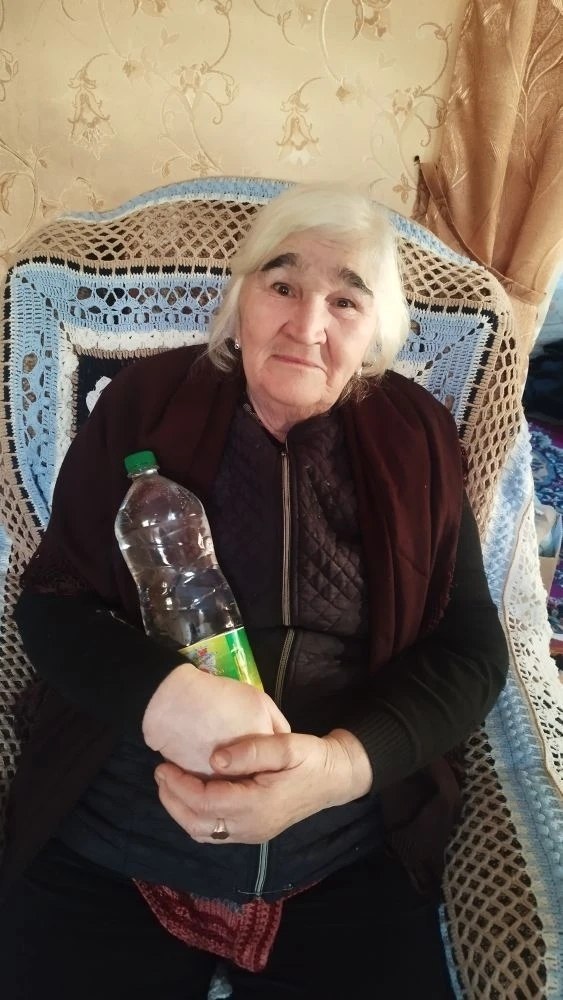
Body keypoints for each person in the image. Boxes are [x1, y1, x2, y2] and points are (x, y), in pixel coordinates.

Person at [0, 184, 508, 999]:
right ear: (240, 301)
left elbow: (469, 647)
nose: (306, 325)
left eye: (345, 300)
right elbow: (52, 601)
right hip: (121, 848)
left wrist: (341, 766)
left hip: (338, 859)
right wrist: (161, 698)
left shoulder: (417, 435)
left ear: (373, 335)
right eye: (282, 284)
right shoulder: (142, 404)